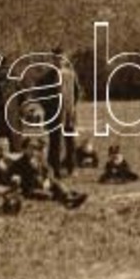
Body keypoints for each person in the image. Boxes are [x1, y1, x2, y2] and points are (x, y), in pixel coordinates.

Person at [13, 140, 89, 208]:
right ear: (24, 150)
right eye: (30, 148)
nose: (33, 151)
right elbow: (14, 178)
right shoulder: (19, 163)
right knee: (49, 195)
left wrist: (47, 179)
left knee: (57, 184)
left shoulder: (38, 160)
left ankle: (69, 197)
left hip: (44, 185)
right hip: (31, 189)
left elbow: (48, 171)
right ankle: (69, 198)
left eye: (35, 148)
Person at [44, 48, 83, 178]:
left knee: (70, 142)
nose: (59, 61)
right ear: (52, 60)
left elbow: (77, 92)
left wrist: (72, 107)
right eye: (56, 59)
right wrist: (50, 110)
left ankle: (72, 167)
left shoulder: (71, 75)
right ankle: (54, 168)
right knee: (55, 142)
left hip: (69, 114)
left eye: (61, 58)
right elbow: (41, 96)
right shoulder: (47, 77)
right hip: (54, 115)